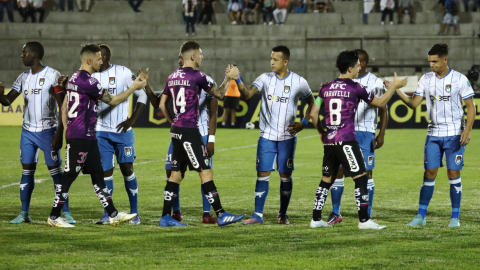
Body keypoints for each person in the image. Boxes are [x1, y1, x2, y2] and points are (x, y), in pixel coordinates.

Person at [46, 44, 147, 228]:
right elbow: (114, 100)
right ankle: (53, 217)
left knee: (98, 175)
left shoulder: (74, 78)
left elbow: (64, 107)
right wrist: (134, 87)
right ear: (89, 60)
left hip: (89, 136)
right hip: (80, 137)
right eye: (99, 58)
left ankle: (113, 214)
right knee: (68, 176)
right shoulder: (88, 81)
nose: (102, 61)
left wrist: (67, 128)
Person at [309, 50, 407, 229]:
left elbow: (313, 113)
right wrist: (394, 87)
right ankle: (364, 220)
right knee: (361, 177)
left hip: (330, 139)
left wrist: (322, 132)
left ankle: (316, 219)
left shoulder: (326, 87)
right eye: (356, 66)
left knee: (326, 178)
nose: (358, 69)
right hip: (347, 138)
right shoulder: (355, 87)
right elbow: (380, 103)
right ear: (349, 68)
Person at [158, 41, 245, 227]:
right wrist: (228, 78)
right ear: (192, 56)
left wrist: (174, 121)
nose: (201, 57)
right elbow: (219, 95)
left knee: (175, 175)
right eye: (200, 54)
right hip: (190, 130)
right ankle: (221, 214)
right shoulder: (199, 76)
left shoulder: (172, 76)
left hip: (176, 131)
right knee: (206, 172)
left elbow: (161, 104)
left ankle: (166, 216)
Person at [391, 44, 475, 227]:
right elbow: (414, 104)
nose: (432, 65)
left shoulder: (460, 79)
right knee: (429, 173)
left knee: (453, 173)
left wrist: (467, 130)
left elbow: (470, 106)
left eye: (435, 61)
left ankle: (455, 218)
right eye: (430, 62)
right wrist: (396, 89)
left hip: (454, 135)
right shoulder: (426, 79)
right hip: (433, 134)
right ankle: (421, 216)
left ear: (445, 60)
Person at [233, 45, 315, 225]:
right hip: (267, 136)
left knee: (285, 175)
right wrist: (237, 79)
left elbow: (312, 103)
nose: (271, 62)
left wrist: (304, 122)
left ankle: (283, 214)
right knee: (262, 173)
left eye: (275, 59)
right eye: (271, 58)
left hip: (287, 138)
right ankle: (257, 215)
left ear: (285, 62)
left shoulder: (299, 81)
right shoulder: (264, 78)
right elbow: (247, 94)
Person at [0, 42, 71, 224]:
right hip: (27, 132)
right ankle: (24, 213)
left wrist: (59, 134)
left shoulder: (52, 75)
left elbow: (63, 106)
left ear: (35, 54)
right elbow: (8, 100)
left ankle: (66, 212)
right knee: (27, 171)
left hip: (48, 131)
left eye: (25, 53)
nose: (22, 55)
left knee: (56, 174)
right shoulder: (23, 77)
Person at [143, 53, 219, 224]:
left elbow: (213, 113)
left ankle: (207, 213)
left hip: (200, 133)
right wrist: (147, 85)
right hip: (182, 132)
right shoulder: (176, 79)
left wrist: (211, 140)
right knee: (173, 172)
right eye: (178, 57)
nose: (178, 60)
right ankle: (175, 213)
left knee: (203, 173)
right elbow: (159, 104)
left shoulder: (204, 80)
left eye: (180, 57)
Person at [327, 49, 388, 226]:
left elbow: (383, 108)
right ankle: (336, 212)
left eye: (357, 61)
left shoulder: (374, 82)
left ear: (362, 64)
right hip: (344, 131)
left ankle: (366, 214)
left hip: (365, 132)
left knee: (366, 173)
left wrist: (381, 133)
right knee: (338, 170)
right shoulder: (344, 80)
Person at [91, 44, 147, 225]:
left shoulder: (122, 72)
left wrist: (132, 120)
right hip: (101, 133)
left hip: (123, 133)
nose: (95, 61)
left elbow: (143, 95)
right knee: (105, 173)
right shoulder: (91, 76)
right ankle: (109, 214)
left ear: (104, 58)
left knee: (127, 170)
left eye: (98, 57)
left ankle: (135, 213)